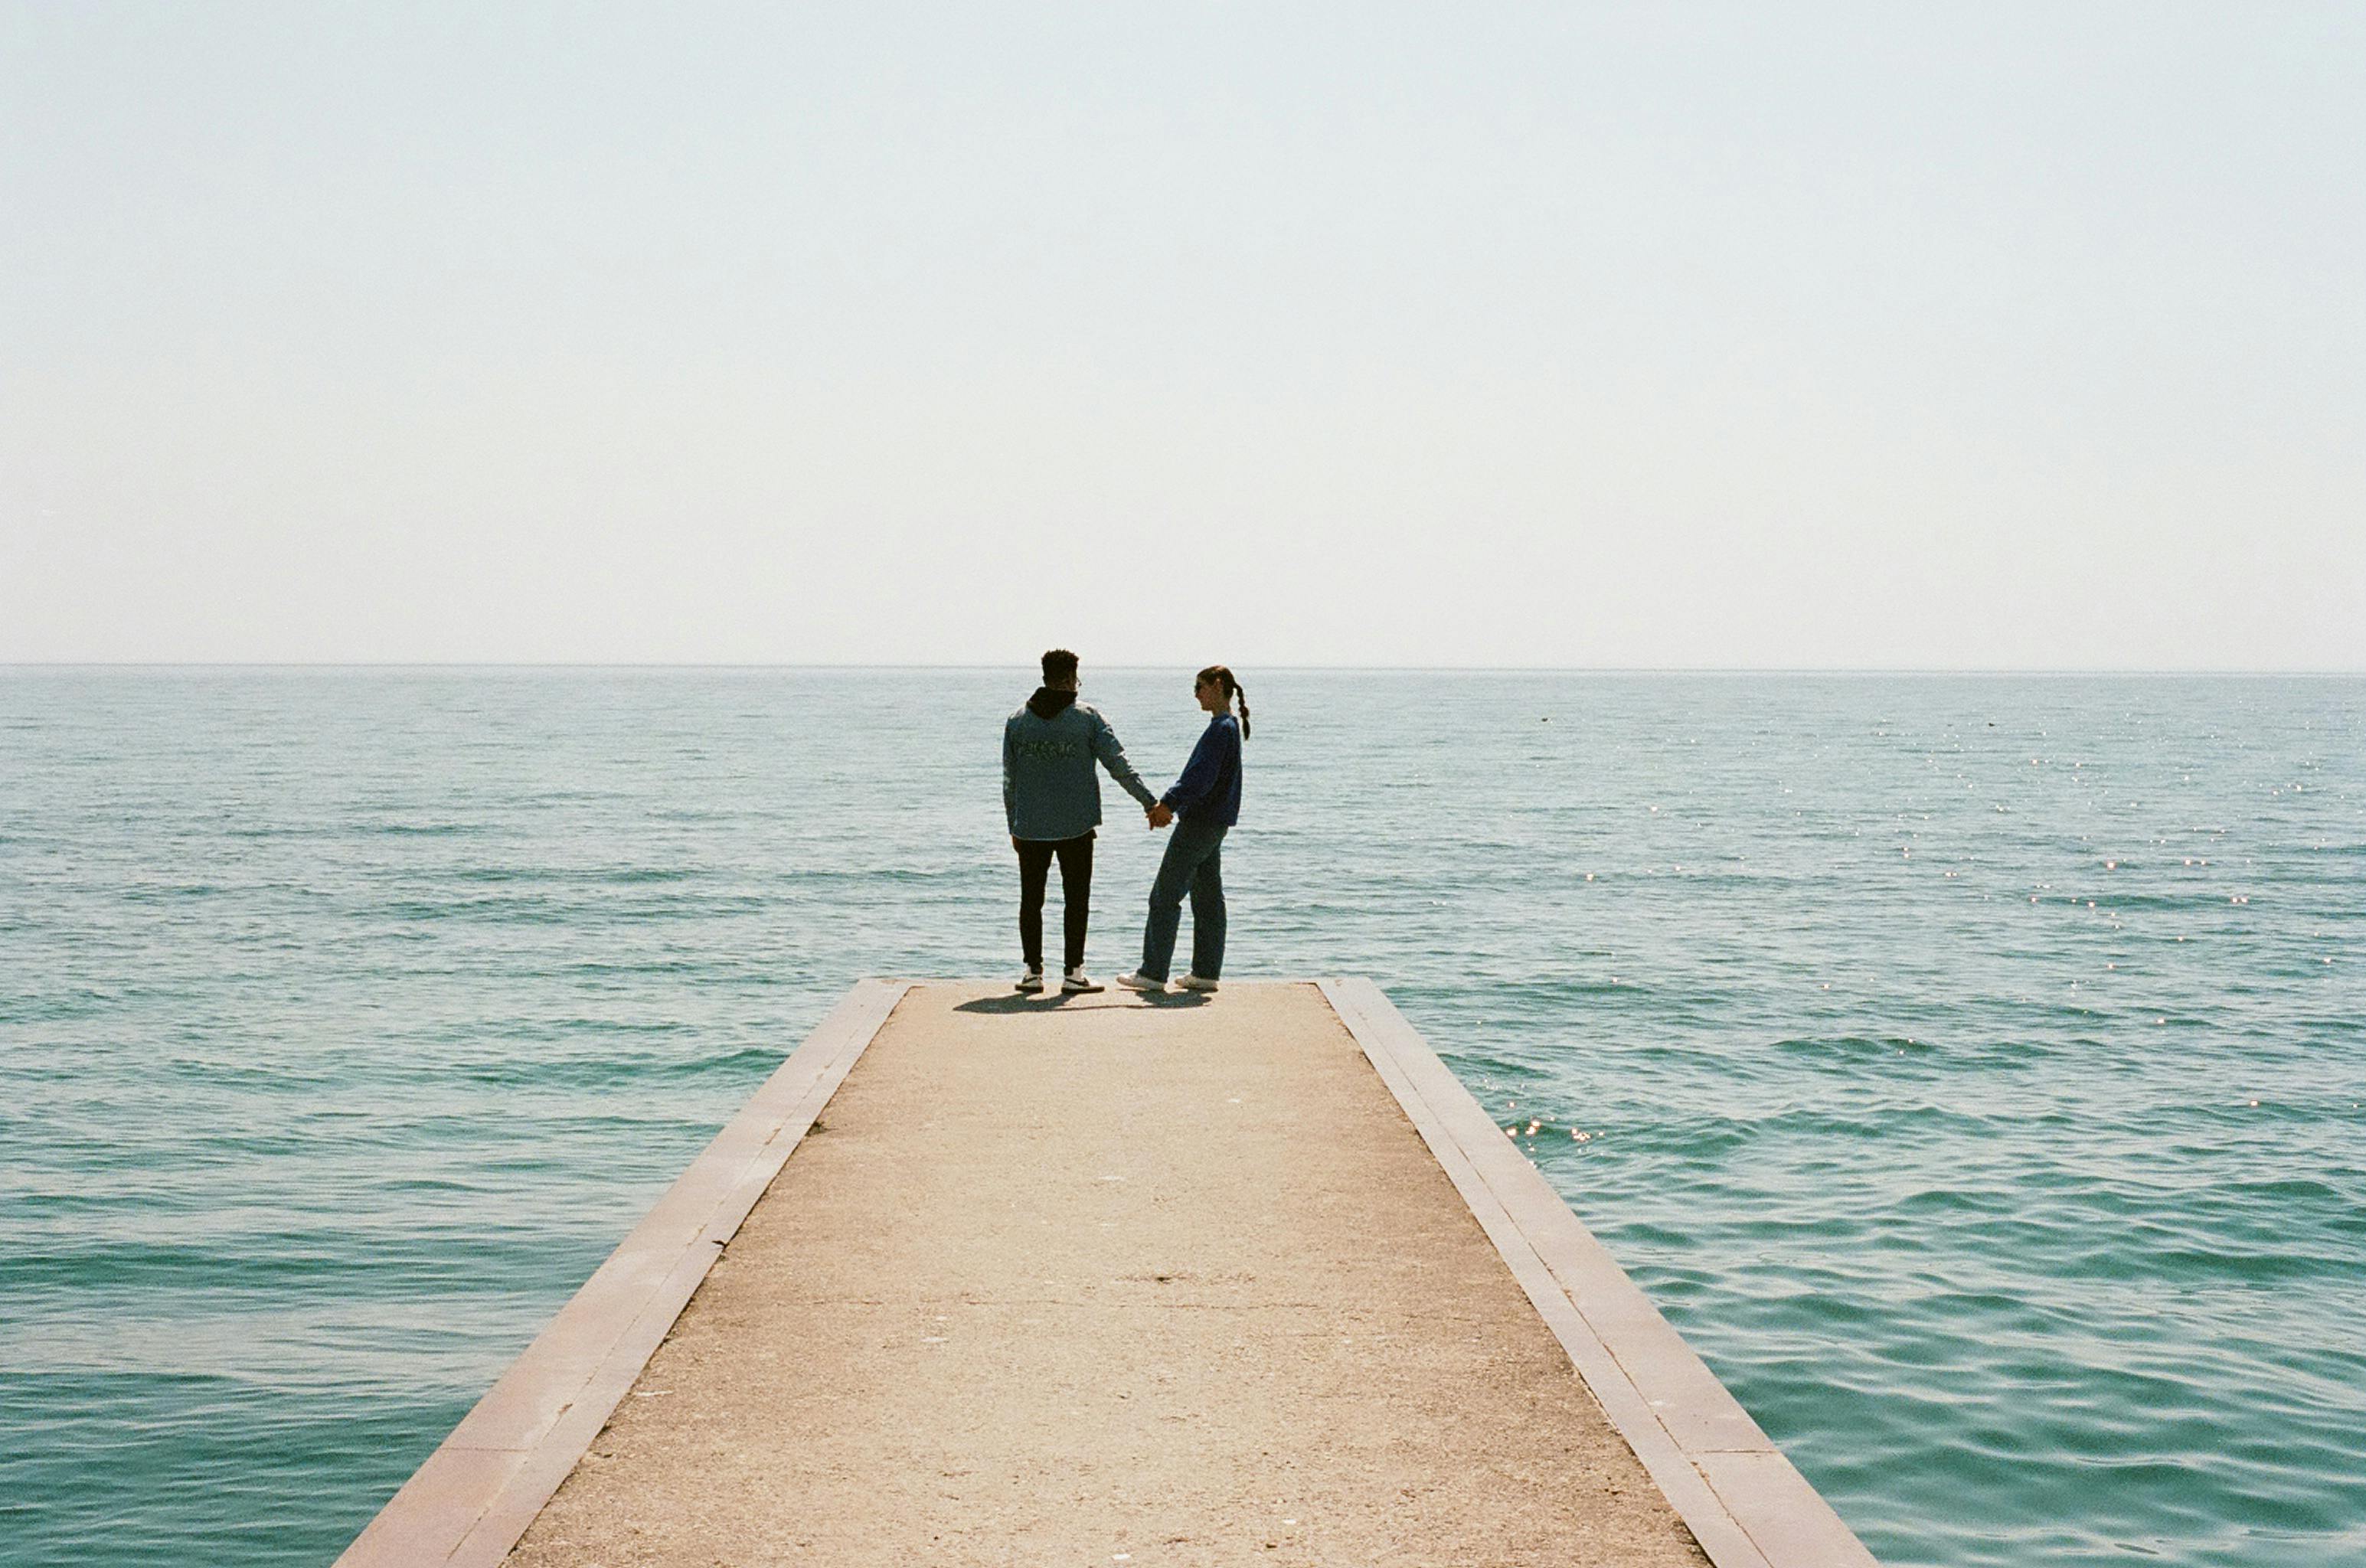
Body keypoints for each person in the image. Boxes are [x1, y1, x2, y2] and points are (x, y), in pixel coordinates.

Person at [1003, 648, 1161, 994]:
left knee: (1031, 901)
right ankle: (1073, 973)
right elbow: (1118, 765)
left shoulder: (1017, 721)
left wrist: (1012, 825)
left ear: (1045, 677)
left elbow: (1009, 780)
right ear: (1071, 677)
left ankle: (1032, 973)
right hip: (1076, 826)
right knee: (1076, 900)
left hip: (1030, 828)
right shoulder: (1087, 718)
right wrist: (1150, 803)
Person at [1117, 665, 1250, 995]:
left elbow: (1200, 778)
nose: (1196, 694)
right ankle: (1205, 972)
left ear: (1217, 686)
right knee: (1207, 898)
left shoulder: (1221, 729)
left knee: (1165, 894)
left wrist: (1168, 804)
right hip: (1216, 823)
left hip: (1200, 822)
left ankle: (1153, 972)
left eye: (1199, 687)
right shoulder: (1227, 727)